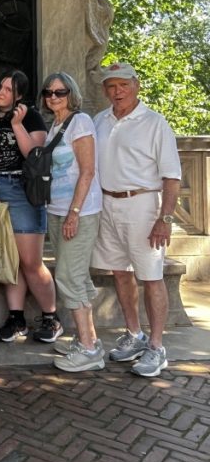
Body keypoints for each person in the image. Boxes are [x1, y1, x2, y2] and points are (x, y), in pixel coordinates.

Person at [91, 62, 182, 377]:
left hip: (142, 205)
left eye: (123, 85)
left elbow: (172, 177)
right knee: (120, 273)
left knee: (151, 276)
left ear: (136, 85)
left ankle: (157, 347)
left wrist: (164, 218)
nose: (117, 92)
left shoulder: (155, 123)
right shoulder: (98, 121)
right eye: (111, 86)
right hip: (106, 204)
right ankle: (134, 335)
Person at [38, 72, 105, 373]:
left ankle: (89, 351)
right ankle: (87, 338)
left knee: (68, 276)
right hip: (57, 209)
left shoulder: (81, 122)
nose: (53, 97)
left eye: (60, 92)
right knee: (76, 276)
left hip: (79, 212)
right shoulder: (54, 126)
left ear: (71, 94)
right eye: (48, 92)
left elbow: (88, 171)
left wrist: (74, 212)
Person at [0, 72, 61, 343]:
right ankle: (16, 319)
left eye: (9, 89)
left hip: (23, 190)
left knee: (31, 262)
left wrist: (17, 124)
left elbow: (35, 154)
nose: (2, 91)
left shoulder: (30, 117)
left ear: (19, 95)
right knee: (11, 259)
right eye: (0, 86)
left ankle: (51, 318)